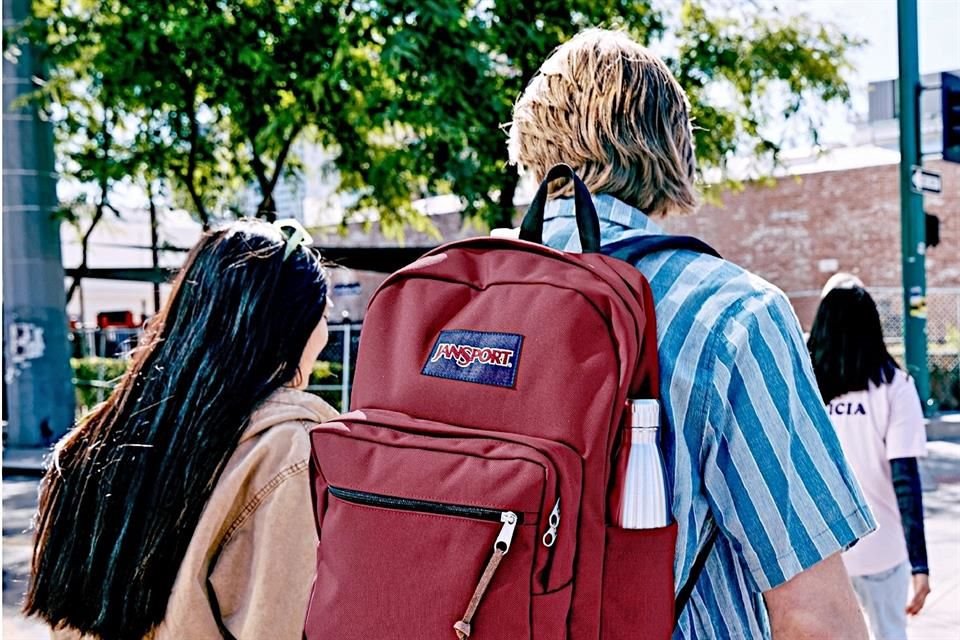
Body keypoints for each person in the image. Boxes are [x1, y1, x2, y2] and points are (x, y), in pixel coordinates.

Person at [508, 29, 876, 638]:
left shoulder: (456, 306)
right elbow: (817, 617)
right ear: (674, 151)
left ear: (534, 146)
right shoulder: (734, 314)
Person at [23, 219, 337, 639]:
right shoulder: (283, 449)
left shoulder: (93, 443)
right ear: (292, 324)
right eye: (323, 314)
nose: (326, 331)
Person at [809, 285, 931, 640]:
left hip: (820, 552)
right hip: (881, 548)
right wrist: (920, 564)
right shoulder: (896, 387)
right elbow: (905, 480)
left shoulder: (807, 387)